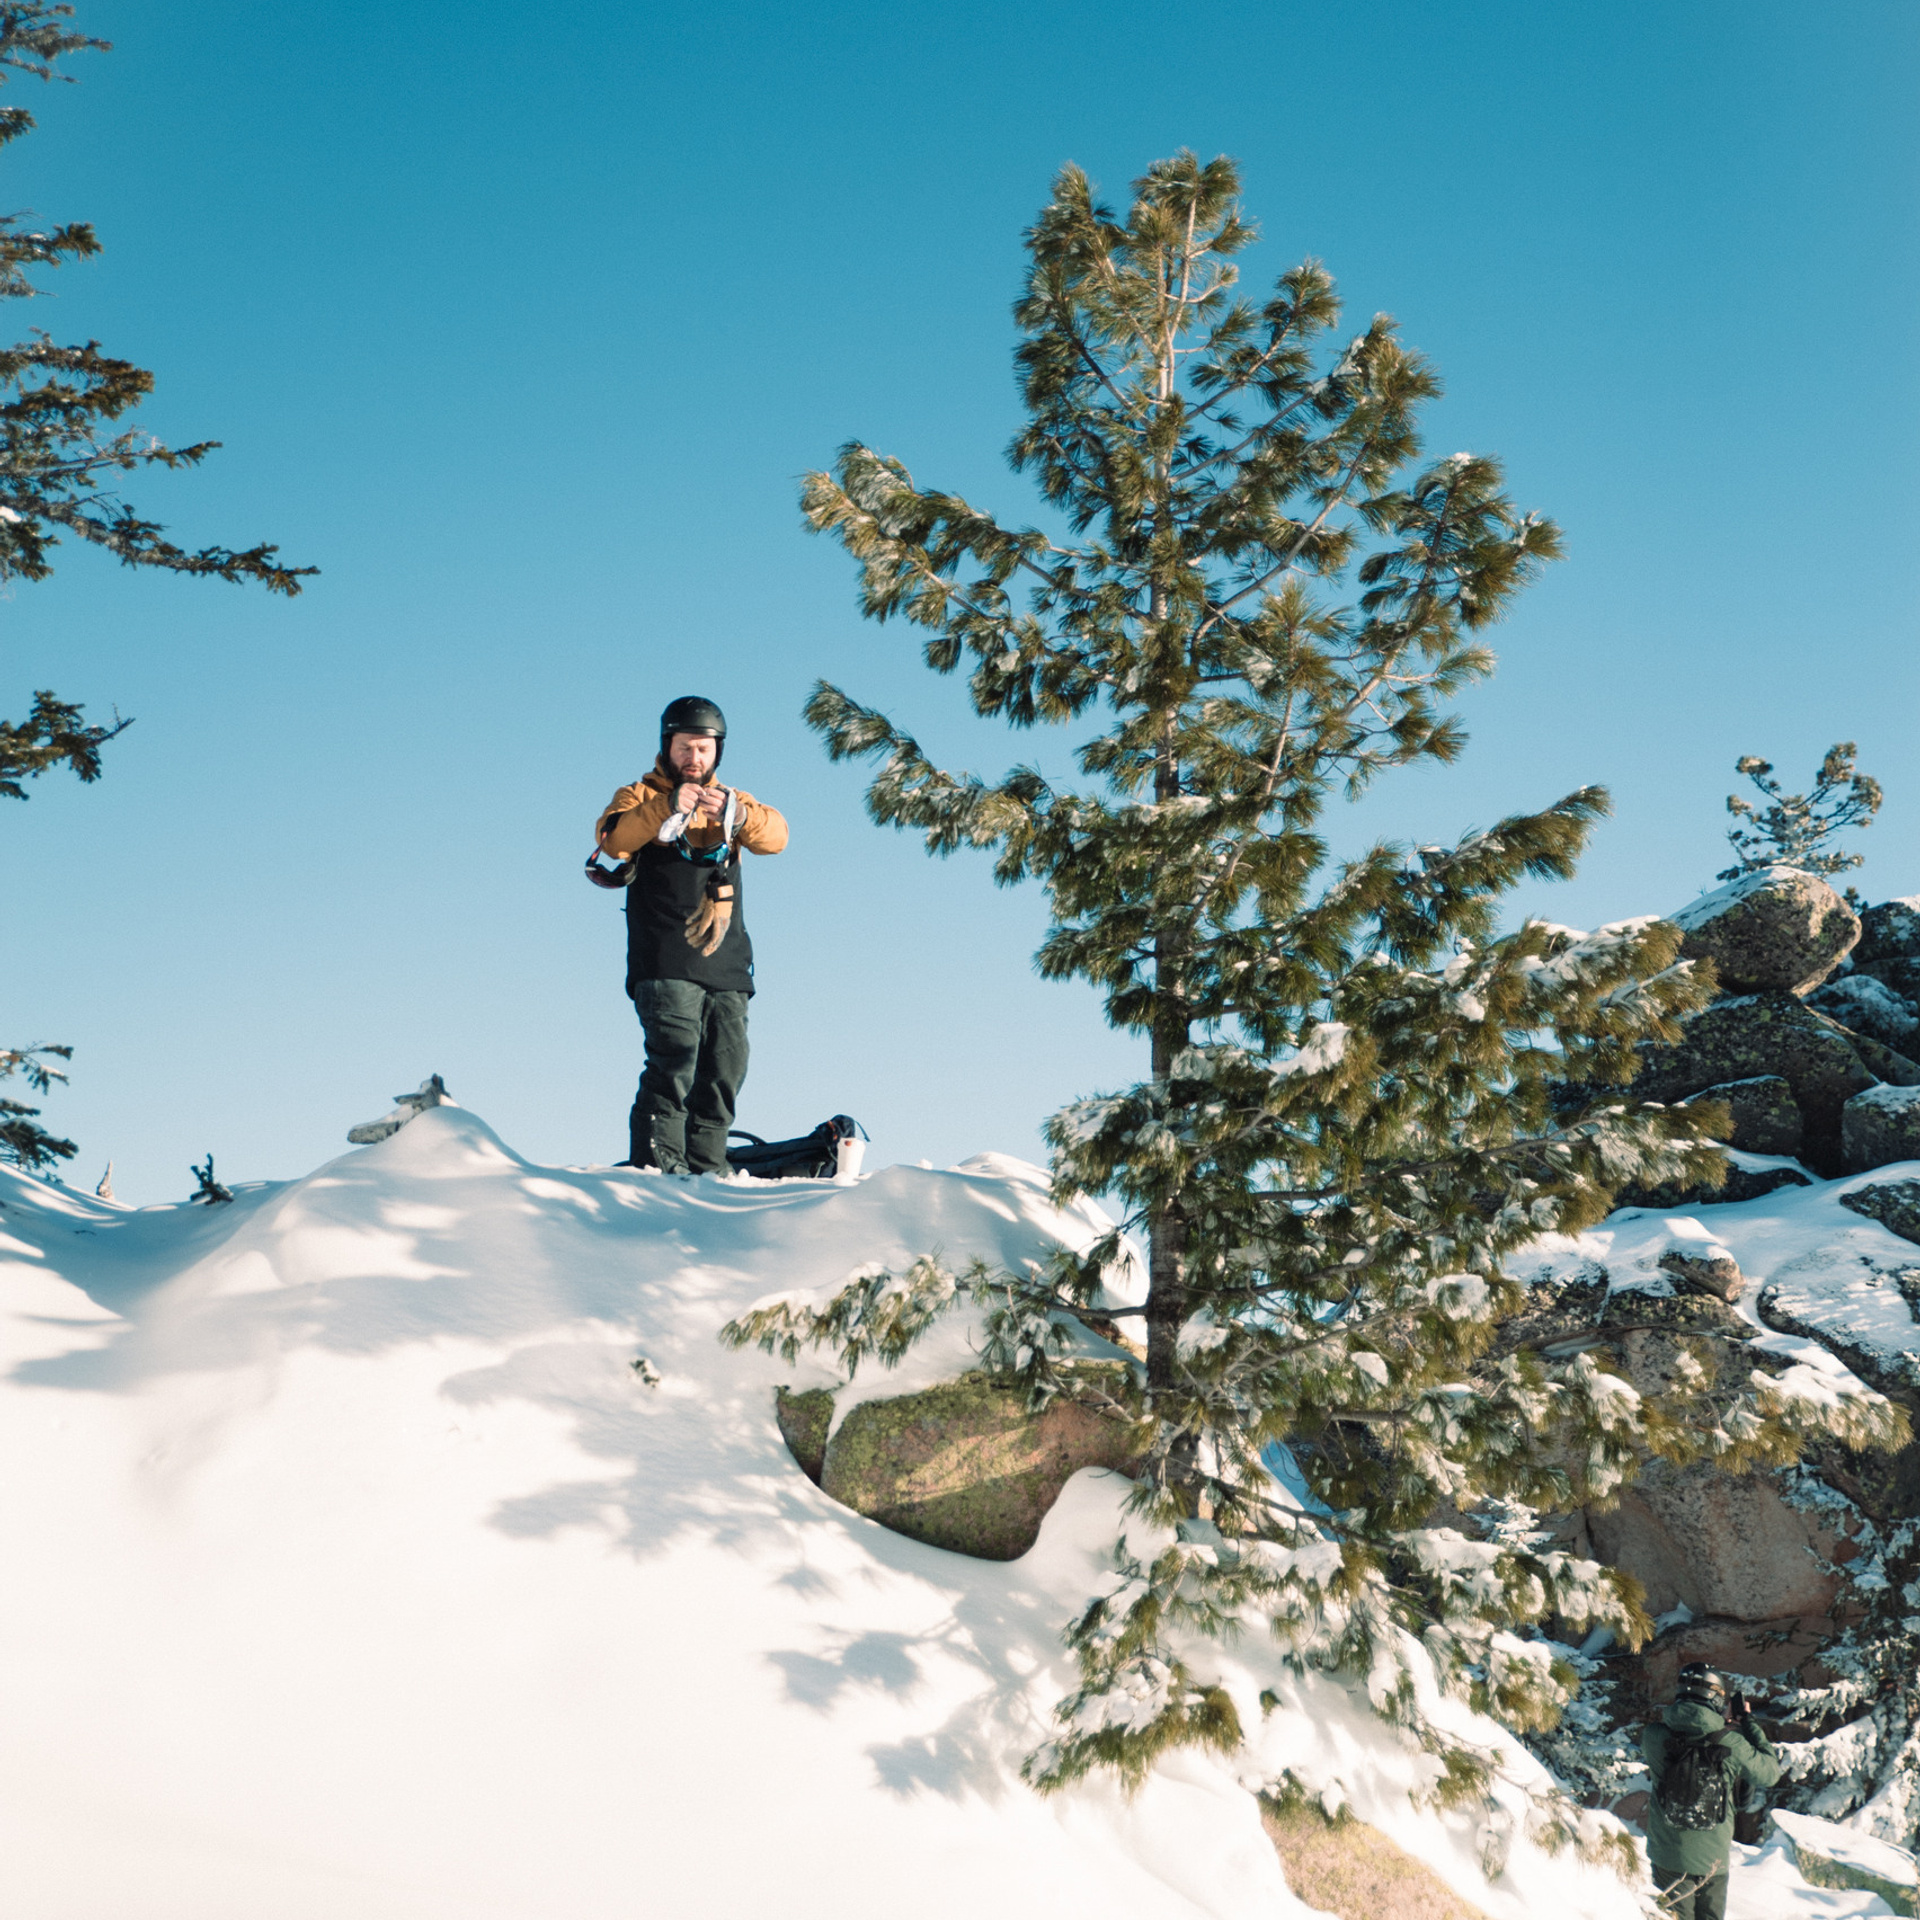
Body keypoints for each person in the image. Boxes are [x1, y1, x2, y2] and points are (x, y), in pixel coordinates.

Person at [594, 697, 788, 1174]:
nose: (693, 758)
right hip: (664, 958)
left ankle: (708, 1172)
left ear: (717, 751)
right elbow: (614, 841)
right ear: (667, 746)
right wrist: (665, 807)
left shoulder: (733, 801)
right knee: (674, 1062)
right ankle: (659, 1170)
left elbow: (777, 838)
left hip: (726, 962)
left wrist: (739, 817)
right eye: (685, 747)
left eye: (703, 748)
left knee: (726, 1069)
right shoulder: (639, 794)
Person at [1641, 1662, 1782, 1920]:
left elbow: (1686, 1727)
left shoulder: (1654, 1737)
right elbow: (1771, 1773)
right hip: (1713, 1860)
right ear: (1716, 1698)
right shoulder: (1731, 1743)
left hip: (1668, 1857)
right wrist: (1747, 1723)